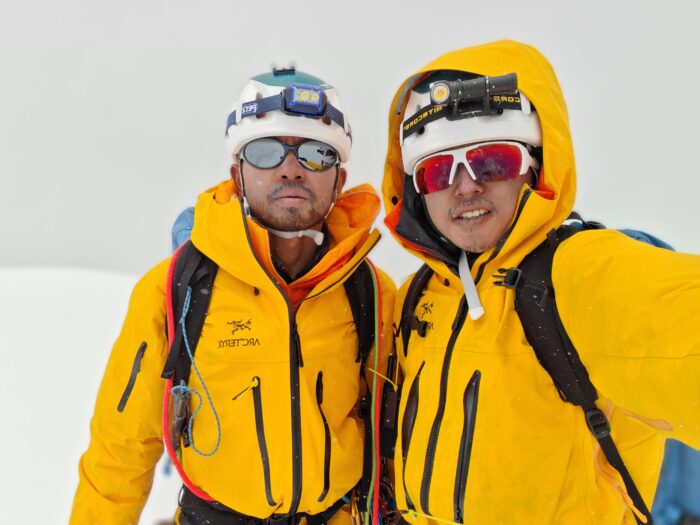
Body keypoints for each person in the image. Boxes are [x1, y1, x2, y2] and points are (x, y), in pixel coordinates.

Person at [379, 40, 700, 524]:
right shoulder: (419, 297)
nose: (466, 186)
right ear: (417, 191)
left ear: (533, 165)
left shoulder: (579, 273)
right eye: (439, 170)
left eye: (492, 162)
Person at [70, 67, 395, 525]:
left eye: (317, 154)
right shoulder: (173, 289)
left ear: (339, 180)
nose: (291, 168)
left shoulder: (373, 294)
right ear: (237, 174)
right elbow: (121, 451)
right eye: (264, 152)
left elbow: (396, 435)